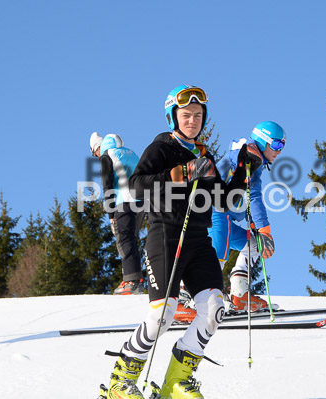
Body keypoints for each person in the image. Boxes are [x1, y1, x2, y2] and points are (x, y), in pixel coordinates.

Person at [102, 85, 251, 399]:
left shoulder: (205, 155)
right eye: (186, 115)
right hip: (166, 236)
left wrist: (242, 172)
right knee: (162, 314)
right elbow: (137, 185)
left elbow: (225, 201)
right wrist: (180, 172)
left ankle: (175, 383)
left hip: (198, 239)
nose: (193, 120)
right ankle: (121, 381)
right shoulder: (161, 148)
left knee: (214, 310)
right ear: (173, 116)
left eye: (198, 115)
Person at [208, 121, 285, 312]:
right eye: (276, 144)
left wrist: (256, 227)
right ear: (263, 140)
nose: (279, 151)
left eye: (282, 146)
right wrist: (265, 229)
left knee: (252, 245)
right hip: (214, 212)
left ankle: (240, 296)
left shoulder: (256, 168)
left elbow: (251, 198)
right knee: (218, 254)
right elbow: (237, 146)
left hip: (226, 218)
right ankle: (195, 298)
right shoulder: (246, 150)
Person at [90, 132, 144, 295]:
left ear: (98, 148)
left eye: (94, 153)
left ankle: (131, 281)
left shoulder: (107, 156)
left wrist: (111, 216)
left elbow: (107, 187)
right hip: (142, 201)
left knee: (124, 238)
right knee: (132, 239)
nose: (96, 156)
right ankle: (137, 279)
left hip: (124, 200)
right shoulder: (130, 153)